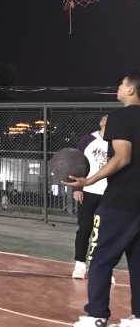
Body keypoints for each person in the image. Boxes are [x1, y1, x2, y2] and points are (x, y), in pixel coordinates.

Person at [64, 72, 140, 327]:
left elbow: (122, 157)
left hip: (121, 200)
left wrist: (88, 180)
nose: (118, 87)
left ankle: (95, 317)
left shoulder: (120, 117)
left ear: (131, 90)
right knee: (137, 262)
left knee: (99, 258)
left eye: (122, 84)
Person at [72, 116, 109, 279]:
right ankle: (80, 265)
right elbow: (76, 163)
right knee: (85, 228)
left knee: (105, 232)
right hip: (88, 191)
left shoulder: (117, 142)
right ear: (101, 122)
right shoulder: (88, 140)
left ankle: (101, 268)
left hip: (109, 194)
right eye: (105, 118)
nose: (107, 120)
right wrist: (77, 188)